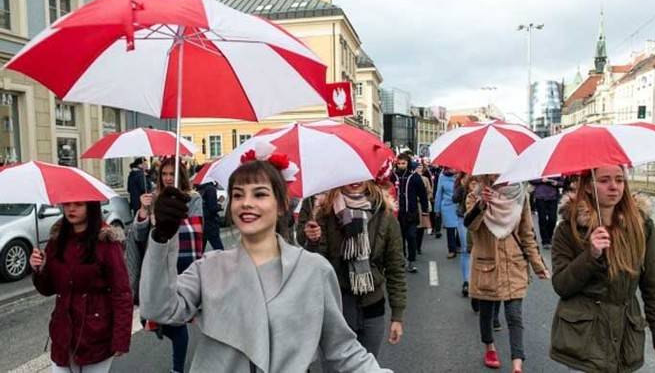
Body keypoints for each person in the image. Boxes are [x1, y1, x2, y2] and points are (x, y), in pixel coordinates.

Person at [139, 157, 391, 372]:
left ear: (281, 205)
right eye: (238, 195)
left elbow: (342, 347)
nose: (246, 202)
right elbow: (159, 309)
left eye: (259, 194)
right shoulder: (210, 267)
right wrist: (162, 236)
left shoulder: (313, 270)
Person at [550, 166, 655, 372]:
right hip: (584, 338)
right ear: (589, 186)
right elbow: (562, 285)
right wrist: (590, 256)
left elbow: (653, 286)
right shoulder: (568, 229)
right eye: (604, 180)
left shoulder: (641, 226)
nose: (614, 187)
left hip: (626, 334)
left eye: (619, 180)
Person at [298, 180, 406, 358]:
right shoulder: (324, 212)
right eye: (350, 177)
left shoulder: (384, 214)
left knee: (367, 368)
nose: (355, 181)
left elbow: (396, 268)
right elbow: (316, 266)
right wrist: (313, 241)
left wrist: (397, 316)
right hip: (337, 309)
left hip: (373, 309)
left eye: (360, 176)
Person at [30, 201, 132, 372]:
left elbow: (121, 294)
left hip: (96, 335)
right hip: (63, 335)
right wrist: (40, 270)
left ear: (91, 207)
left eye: (78, 204)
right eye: (67, 204)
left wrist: (120, 338)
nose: (71, 209)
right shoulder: (57, 241)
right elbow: (48, 290)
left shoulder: (107, 243)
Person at [464, 174, 550, 373]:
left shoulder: (520, 195)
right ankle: (489, 347)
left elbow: (527, 234)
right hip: (487, 264)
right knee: (486, 313)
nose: (498, 174)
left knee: (514, 316)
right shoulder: (476, 194)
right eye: (493, 171)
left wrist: (538, 265)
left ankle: (517, 363)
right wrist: (481, 204)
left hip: (514, 263)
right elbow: (470, 225)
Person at [132, 157, 203, 373]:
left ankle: (177, 368)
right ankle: (164, 328)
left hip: (182, 261)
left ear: (180, 175)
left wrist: (167, 223)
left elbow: (196, 231)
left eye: (172, 173)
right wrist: (144, 213)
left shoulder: (193, 198)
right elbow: (139, 235)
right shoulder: (153, 198)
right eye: (164, 174)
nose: (168, 177)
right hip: (156, 261)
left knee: (177, 321)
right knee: (151, 314)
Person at [390, 153, 429, 273]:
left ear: (408, 163)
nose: (401, 166)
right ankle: (401, 260)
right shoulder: (393, 176)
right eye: (399, 163)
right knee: (399, 239)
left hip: (411, 213)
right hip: (397, 214)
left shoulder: (414, 177)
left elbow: (422, 194)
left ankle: (411, 260)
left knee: (411, 236)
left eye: (404, 163)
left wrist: (425, 210)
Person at [529, 177, 563, 249]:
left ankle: (549, 236)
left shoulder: (555, 169)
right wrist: (541, 180)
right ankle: (545, 241)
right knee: (542, 219)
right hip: (540, 196)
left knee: (553, 219)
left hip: (553, 197)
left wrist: (557, 183)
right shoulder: (538, 168)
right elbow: (531, 179)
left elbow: (562, 182)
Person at [435, 167, 461, 259]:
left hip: (459, 205)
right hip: (447, 206)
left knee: (460, 227)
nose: (452, 170)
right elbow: (439, 193)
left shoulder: (460, 176)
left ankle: (458, 245)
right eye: (449, 169)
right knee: (450, 229)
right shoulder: (442, 177)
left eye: (452, 168)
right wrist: (437, 209)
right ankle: (451, 250)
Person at [452, 172, 470, 297]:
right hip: (463, 217)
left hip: (481, 218)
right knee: (466, 249)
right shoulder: (460, 180)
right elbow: (454, 198)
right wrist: (463, 187)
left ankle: (477, 280)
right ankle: (466, 281)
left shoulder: (484, 177)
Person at [196, 180, 224, 251]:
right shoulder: (211, 189)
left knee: (200, 251)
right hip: (210, 223)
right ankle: (224, 262)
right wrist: (220, 205)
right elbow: (212, 208)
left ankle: (199, 262)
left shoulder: (199, 189)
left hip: (201, 222)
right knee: (219, 250)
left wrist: (216, 201)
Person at [415, 164, 433, 254]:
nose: (419, 169)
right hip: (413, 205)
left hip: (421, 205)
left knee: (420, 227)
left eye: (420, 167)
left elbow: (430, 192)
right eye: (417, 167)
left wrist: (425, 198)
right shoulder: (411, 179)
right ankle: (413, 246)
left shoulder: (425, 179)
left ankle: (418, 246)